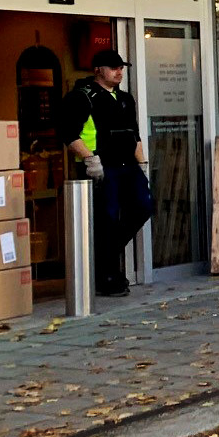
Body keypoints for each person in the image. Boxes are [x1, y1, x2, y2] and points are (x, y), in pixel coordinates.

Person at [58, 49, 153, 297]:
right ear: (98, 70)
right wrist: (90, 159)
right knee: (107, 219)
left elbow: (134, 134)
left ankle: (104, 257)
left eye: (121, 67)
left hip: (128, 166)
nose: (119, 72)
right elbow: (68, 133)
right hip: (102, 167)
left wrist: (142, 164)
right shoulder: (82, 97)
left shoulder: (125, 99)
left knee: (144, 207)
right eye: (113, 68)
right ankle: (106, 275)